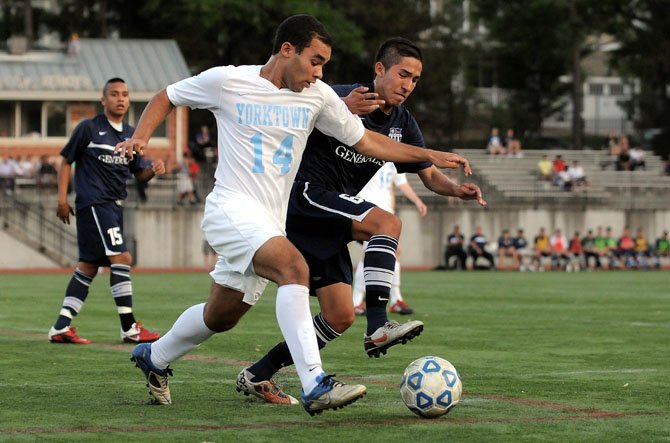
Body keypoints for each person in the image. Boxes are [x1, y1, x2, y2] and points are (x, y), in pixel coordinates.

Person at [115, 19, 478, 414]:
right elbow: (167, 96)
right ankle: (315, 383)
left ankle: (155, 356)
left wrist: (430, 155)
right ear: (287, 50)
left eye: (324, 65)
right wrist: (141, 138)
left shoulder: (317, 95)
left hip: (272, 221)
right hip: (232, 208)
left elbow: (368, 141)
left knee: (221, 315)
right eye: (316, 61)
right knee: (294, 268)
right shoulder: (229, 81)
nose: (320, 72)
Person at [232, 37, 485, 406]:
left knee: (339, 315)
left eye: (415, 80)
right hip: (304, 194)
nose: (408, 85)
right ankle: (379, 324)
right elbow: (289, 104)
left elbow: (428, 174)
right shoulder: (339, 95)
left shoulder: (403, 123)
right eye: (402, 74)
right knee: (387, 223)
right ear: (379, 69)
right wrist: (340, 107)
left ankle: (257, 374)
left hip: (331, 215)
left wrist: (456, 190)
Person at [48, 78, 165, 345]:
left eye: (124, 94)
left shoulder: (132, 134)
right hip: (95, 204)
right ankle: (129, 327)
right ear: (103, 100)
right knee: (121, 258)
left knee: (88, 266)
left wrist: (154, 170)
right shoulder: (88, 128)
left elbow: (139, 175)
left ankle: (61, 327)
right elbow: (66, 161)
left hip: (114, 206)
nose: (120, 99)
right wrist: (61, 199)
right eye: (114, 94)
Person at [351, 162, 428, 316]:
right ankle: (361, 301)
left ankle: (391, 301)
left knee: (385, 254)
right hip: (367, 210)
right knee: (379, 253)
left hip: (385, 213)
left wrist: (417, 201)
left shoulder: (394, 158)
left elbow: (400, 183)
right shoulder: (368, 150)